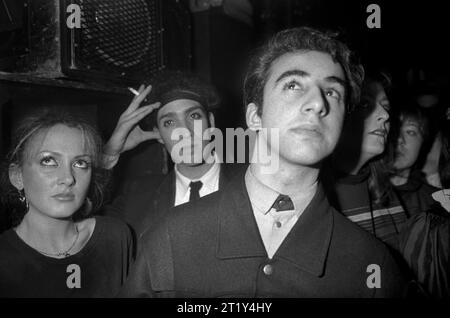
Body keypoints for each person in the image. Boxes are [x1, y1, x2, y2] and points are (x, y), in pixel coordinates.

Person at [119, 27, 409, 297]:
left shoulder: (372, 264)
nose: (319, 102)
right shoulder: (167, 237)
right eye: (293, 85)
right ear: (254, 116)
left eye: (332, 92)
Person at [0, 109, 134, 297]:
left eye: (80, 163)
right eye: (48, 161)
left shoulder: (115, 237)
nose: (68, 178)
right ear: (17, 176)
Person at [102, 71, 244, 237]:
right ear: (159, 134)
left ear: (211, 122)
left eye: (194, 116)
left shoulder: (253, 182)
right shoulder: (137, 197)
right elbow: (81, 229)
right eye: (169, 122)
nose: (185, 132)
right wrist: (109, 153)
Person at [326, 72, 408, 250]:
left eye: (386, 107)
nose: (385, 115)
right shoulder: (316, 198)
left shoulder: (383, 191)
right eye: (365, 104)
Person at [390, 106, 439, 217]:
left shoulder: (436, 202)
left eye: (410, 132)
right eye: (394, 130)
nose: (399, 139)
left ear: (423, 144)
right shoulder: (363, 193)